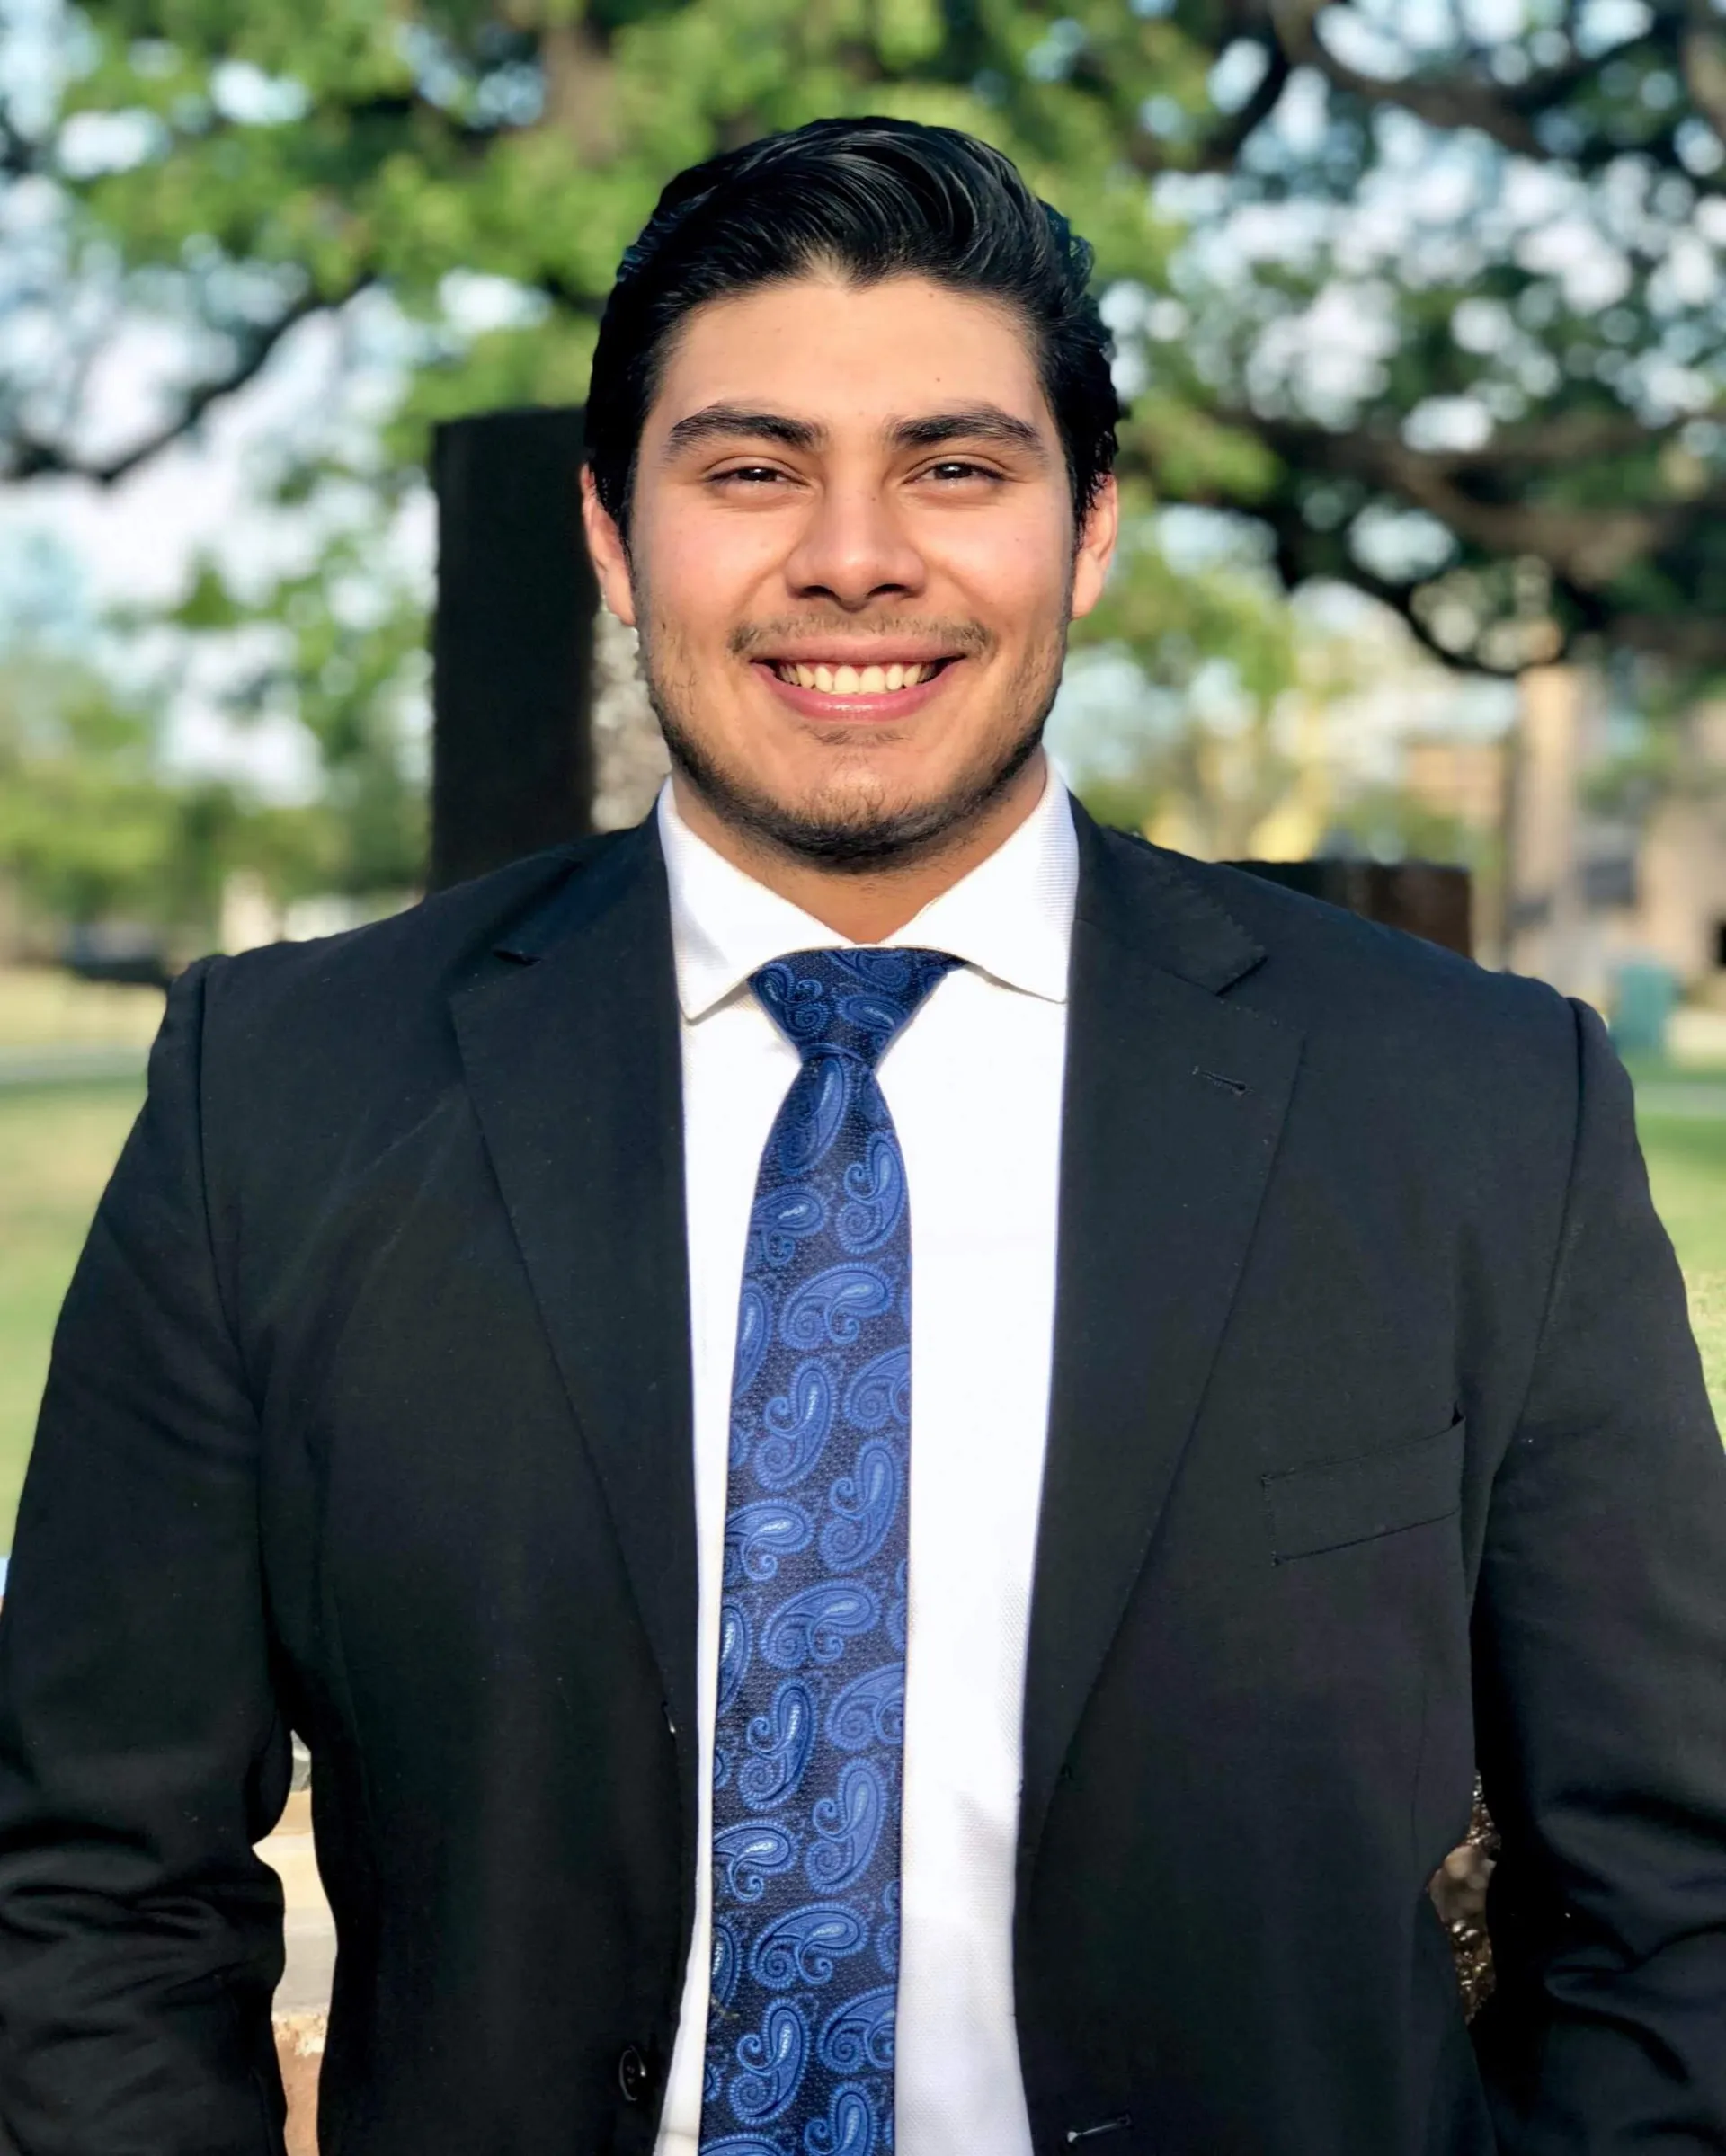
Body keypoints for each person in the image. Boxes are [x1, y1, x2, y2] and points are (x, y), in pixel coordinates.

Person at [1, 115, 1723, 2156]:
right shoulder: (274, 1092)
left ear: (1087, 529)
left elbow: (1670, 1901)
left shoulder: (1472, 1109)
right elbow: (92, 1886)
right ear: (613, 534)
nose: (853, 556)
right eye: (750, 469)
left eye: (955, 466)